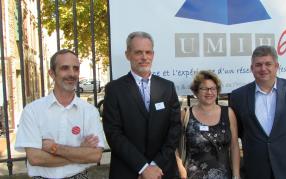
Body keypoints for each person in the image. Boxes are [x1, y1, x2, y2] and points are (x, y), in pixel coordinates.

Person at [230, 45, 286, 179]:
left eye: (268, 64)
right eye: (258, 64)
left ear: (276, 66)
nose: (263, 68)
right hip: (257, 169)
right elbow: (240, 130)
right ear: (252, 68)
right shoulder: (238, 96)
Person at [15, 49, 106, 178]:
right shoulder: (32, 111)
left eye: (76, 68)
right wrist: (80, 152)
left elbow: (95, 155)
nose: (72, 73)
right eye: (64, 68)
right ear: (52, 73)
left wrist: (55, 148)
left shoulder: (89, 111)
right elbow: (35, 158)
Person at [102, 31, 181, 179]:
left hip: (163, 171)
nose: (144, 57)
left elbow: (175, 129)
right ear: (128, 55)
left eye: (148, 52)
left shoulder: (167, 87)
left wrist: (156, 165)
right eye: (138, 52)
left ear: (153, 54)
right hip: (128, 171)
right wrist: (143, 167)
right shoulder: (114, 89)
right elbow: (113, 133)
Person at [176, 70, 241, 179]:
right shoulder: (185, 114)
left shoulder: (228, 113)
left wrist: (236, 175)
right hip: (192, 175)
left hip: (225, 175)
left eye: (213, 88)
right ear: (196, 92)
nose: (209, 92)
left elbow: (234, 146)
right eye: (204, 88)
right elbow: (174, 146)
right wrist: (181, 169)